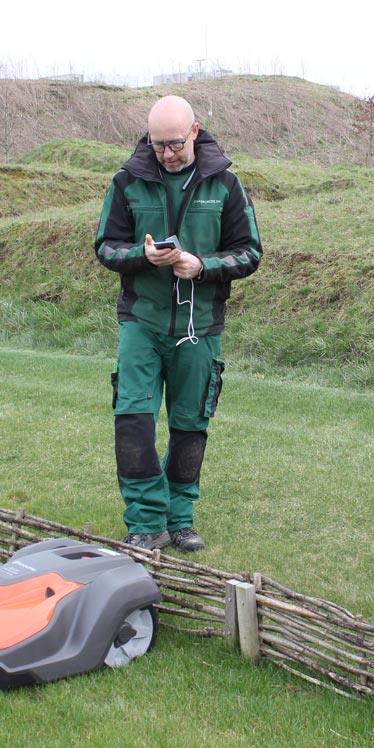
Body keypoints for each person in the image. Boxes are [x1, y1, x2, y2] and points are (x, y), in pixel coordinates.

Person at [94, 95, 262, 552]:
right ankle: (145, 522)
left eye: (174, 144)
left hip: (200, 326)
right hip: (141, 322)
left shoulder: (226, 184)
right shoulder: (127, 181)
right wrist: (142, 257)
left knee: (190, 426)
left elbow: (250, 252)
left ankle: (179, 518)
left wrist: (201, 265)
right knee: (133, 422)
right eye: (157, 145)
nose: (166, 154)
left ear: (194, 132)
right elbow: (106, 246)